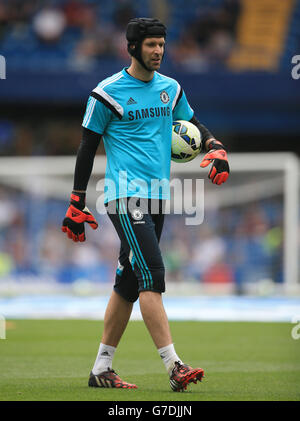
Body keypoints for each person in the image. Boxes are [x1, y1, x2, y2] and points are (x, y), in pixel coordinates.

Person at [62, 18, 229, 392]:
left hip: (158, 199)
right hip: (124, 197)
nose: (158, 51)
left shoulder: (171, 88)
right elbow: (87, 147)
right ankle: (175, 366)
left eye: (162, 45)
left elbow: (193, 123)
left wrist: (215, 146)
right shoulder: (106, 93)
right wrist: (77, 201)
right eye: (151, 45)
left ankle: (101, 368)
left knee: (127, 283)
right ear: (132, 48)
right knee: (153, 274)